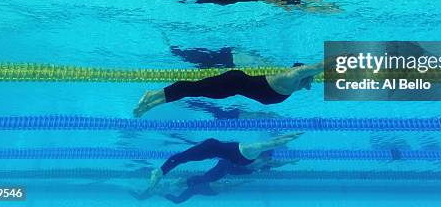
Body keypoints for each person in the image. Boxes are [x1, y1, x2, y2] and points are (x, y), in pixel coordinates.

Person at [142, 133, 302, 203]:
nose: (268, 161)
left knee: (187, 163)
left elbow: (274, 161)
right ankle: (165, 176)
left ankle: (168, 179)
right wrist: (286, 139)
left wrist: (289, 162)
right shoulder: (251, 153)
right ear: (263, 156)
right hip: (217, 155)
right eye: (267, 157)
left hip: (220, 160)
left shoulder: (260, 162)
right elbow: (269, 145)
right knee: (186, 163)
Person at [133, 62, 319, 117]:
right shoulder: (289, 79)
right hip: (233, 82)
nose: (308, 85)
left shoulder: (294, 86)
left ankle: (153, 103)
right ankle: (152, 95)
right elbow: (311, 69)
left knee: (193, 90)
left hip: (232, 87)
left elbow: (307, 80)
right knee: (192, 88)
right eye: (307, 80)